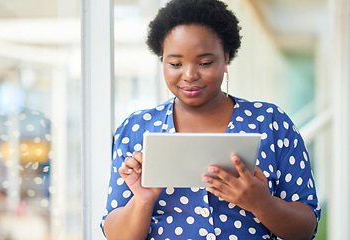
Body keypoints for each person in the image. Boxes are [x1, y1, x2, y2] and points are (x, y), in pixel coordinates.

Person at [100, 0, 321, 239]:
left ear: (225, 59)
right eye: (175, 63)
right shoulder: (135, 128)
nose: (190, 75)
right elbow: (115, 235)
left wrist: (262, 203)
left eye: (205, 63)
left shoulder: (271, 122)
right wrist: (142, 201)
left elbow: (305, 229)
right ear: (161, 59)